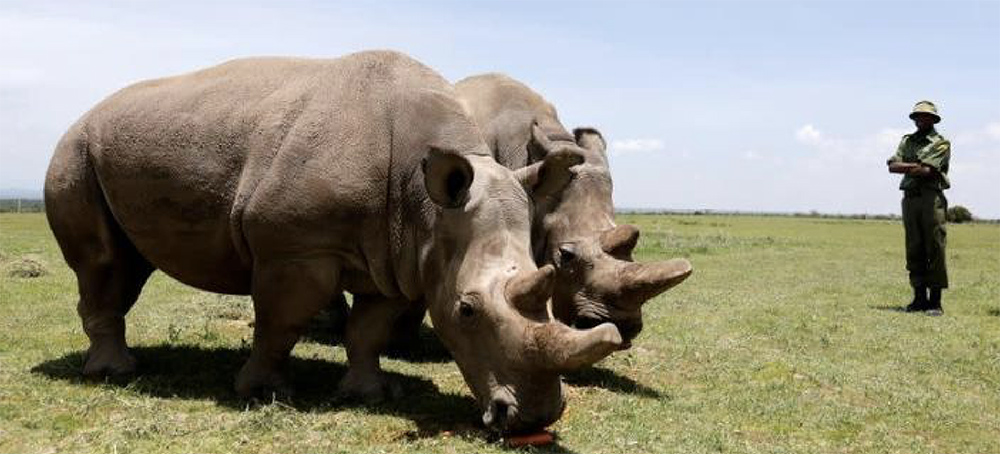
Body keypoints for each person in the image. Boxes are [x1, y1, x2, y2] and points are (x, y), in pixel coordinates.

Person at [887, 101, 951, 316]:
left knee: (935, 247)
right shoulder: (907, 140)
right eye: (918, 116)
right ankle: (918, 299)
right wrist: (917, 165)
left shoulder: (941, 143)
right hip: (910, 199)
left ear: (934, 119)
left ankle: (935, 302)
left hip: (931, 199)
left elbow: (928, 171)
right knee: (914, 247)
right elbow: (892, 167)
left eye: (926, 116)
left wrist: (908, 166)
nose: (921, 119)